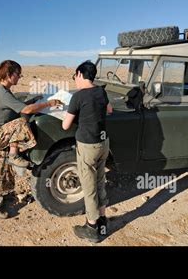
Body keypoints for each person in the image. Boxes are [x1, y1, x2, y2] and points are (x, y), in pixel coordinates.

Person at [0, 60, 61, 219]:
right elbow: (24, 110)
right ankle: (14, 155)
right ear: (8, 75)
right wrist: (48, 103)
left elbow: (17, 107)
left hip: (1, 134)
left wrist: (33, 101)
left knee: (0, 169)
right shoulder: (2, 93)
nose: (19, 77)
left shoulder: (5, 91)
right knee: (21, 122)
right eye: (17, 74)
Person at [62, 61, 113, 242]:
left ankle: (92, 228)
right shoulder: (101, 91)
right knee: (100, 181)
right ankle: (103, 220)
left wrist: (72, 112)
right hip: (103, 144)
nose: (75, 80)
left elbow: (65, 125)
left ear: (79, 74)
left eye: (75, 76)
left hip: (87, 146)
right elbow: (110, 109)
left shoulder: (78, 97)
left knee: (89, 186)